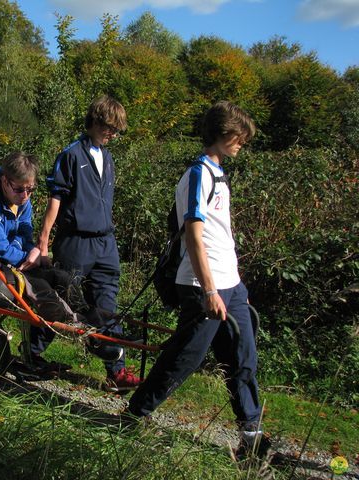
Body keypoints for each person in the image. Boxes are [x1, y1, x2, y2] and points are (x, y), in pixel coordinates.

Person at [127, 101, 269, 458]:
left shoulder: (219, 174)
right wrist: (209, 289)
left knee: (242, 356)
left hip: (230, 284)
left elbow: (222, 236)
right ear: (223, 133)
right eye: (239, 136)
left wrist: (237, 288)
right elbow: (193, 233)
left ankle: (251, 435)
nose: (242, 143)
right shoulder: (198, 174)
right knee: (184, 357)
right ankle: (134, 414)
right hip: (201, 285)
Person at [37, 95, 140, 393]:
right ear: (95, 121)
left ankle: (116, 372)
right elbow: (55, 199)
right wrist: (43, 242)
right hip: (76, 242)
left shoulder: (107, 158)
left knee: (108, 306)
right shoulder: (71, 155)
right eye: (109, 127)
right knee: (63, 303)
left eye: (117, 130)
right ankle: (32, 355)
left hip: (105, 243)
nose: (113, 134)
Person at [0, 151, 84, 374]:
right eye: (19, 189)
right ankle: (66, 326)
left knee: (62, 278)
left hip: (18, 258)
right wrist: (25, 257)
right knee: (43, 291)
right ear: (4, 181)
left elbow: (25, 231)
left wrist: (32, 251)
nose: (25, 195)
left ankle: (86, 320)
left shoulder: (22, 199)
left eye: (30, 190)